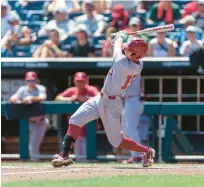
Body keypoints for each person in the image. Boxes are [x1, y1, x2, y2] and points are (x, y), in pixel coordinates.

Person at [51, 30, 155, 168]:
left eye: (129, 49)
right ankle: (64, 155)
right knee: (75, 120)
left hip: (113, 103)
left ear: (136, 54)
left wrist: (119, 38)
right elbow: (122, 48)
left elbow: (118, 49)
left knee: (117, 141)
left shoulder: (125, 64)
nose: (126, 49)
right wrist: (120, 39)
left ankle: (146, 151)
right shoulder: (132, 59)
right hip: (99, 98)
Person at [55, 72, 99, 162]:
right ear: (74, 81)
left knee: (89, 153)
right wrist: (71, 98)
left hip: (89, 126)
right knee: (79, 155)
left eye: (82, 81)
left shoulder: (91, 89)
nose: (80, 83)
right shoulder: (71, 91)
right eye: (78, 81)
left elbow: (100, 98)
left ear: (86, 81)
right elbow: (57, 98)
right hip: (75, 127)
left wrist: (86, 98)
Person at [10, 72, 48, 162]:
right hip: (28, 122)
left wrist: (30, 98)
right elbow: (12, 98)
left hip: (40, 121)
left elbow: (43, 97)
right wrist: (16, 99)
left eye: (32, 80)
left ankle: (35, 162)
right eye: (29, 80)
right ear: (26, 81)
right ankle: (32, 163)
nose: (31, 82)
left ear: (36, 80)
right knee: (28, 144)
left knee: (33, 145)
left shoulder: (41, 88)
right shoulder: (22, 89)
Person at [121, 75, 144, 163]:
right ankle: (136, 155)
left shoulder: (134, 65)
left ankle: (138, 156)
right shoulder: (124, 64)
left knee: (131, 130)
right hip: (128, 101)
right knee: (124, 131)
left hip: (134, 100)